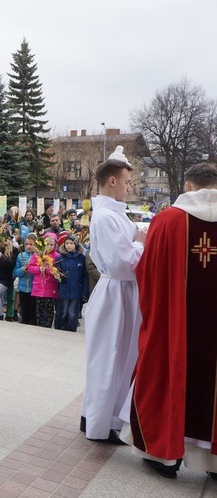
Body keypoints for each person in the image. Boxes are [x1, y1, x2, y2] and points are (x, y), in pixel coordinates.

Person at [120, 163, 217, 478]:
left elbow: (147, 274)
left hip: (175, 328)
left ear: (188, 186)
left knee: (168, 370)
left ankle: (165, 457)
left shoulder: (168, 221)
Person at [80, 146, 147, 444]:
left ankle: (107, 420)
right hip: (114, 294)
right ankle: (98, 424)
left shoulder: (117, 214)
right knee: (108, 359)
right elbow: (121, 263)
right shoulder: (106, 217)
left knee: (121, 360)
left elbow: (133, 239)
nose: (129, 187)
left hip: (125, 294)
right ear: (111, 181)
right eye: (126, 182)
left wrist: (138, 239)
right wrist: (142, 245)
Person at [55, 234, 88, 332]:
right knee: (63, 311)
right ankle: (61, 328)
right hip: (64, 289)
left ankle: (71, 329)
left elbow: (85, 276)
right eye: (67, 243)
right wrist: (59, 277)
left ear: (76, 245)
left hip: (76, 290)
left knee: (72, 312)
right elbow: (56, 272)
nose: (68, 245)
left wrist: (85, 292)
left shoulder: (82, 258)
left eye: (71, 243)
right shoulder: (60, 258)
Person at [27, 233, 60, 328]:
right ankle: (39, 325)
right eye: (47, 244)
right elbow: (30, 267)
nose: (49, 247)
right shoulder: (37, 255)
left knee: (49, 309)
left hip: (50, 287)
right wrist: (39, 269)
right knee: (39, 309)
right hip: (38, 287)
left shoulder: (57, 256)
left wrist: (49, 269)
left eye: (51, 245)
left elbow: (57, 271)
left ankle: (48, 326)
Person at [13, 233, 37, 325]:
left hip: (33, 288)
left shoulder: (38, 256)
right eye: (26, 244)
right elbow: (15, 272)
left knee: (32, 311)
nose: (28, 246)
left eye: (31, 244)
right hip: (23, 288)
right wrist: (22, 269)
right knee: (24, 310)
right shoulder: (21, 255)